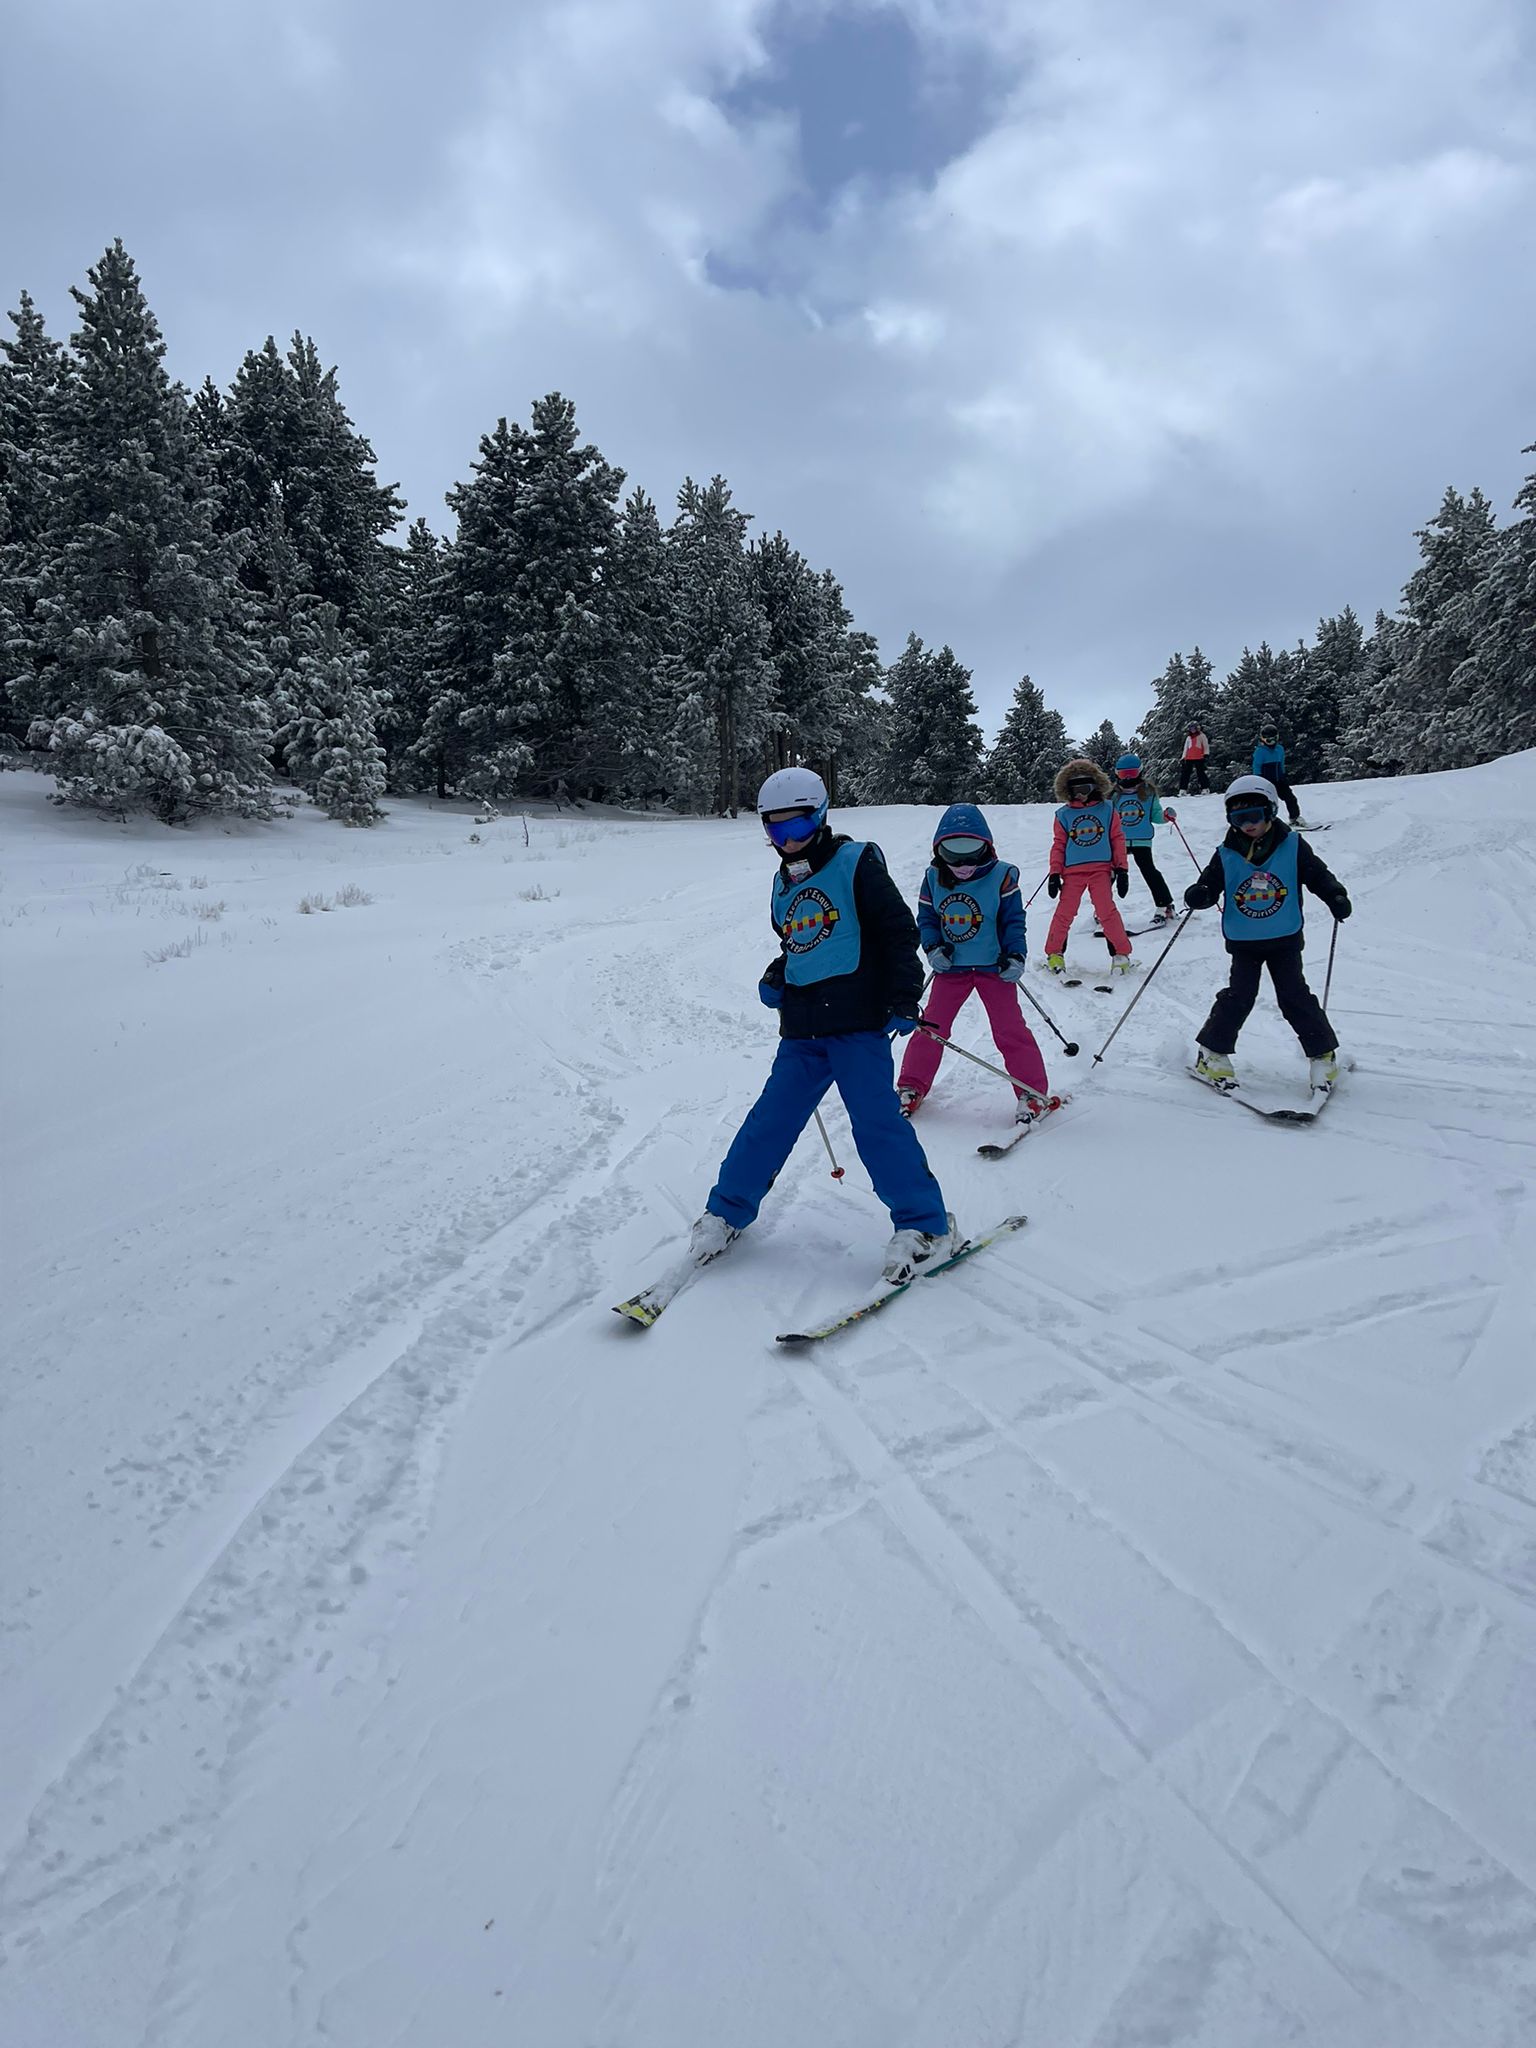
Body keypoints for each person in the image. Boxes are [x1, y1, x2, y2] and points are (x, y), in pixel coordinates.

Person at [688, 766, 956, 1285]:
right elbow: (798, 944)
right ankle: (726, 1212)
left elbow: (898, 932)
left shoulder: (856, 863)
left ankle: (926, 1226)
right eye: (775, 829)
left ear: (822, 815)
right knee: (768, 1123)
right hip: (804, 1029)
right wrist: (777, 974)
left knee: (877, 1126)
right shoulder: (783, 884)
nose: (787, 840)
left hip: (858, 1025)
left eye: (797, 826)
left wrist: (905, 994)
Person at [1183, 774, 1351, 1092]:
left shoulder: (1292, 845)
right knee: (1240, 996)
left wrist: (1335, 895)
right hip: (1244, 941)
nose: (1247, 824)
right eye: (1238, 817)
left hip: (1284, 938)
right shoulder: (1226, 852)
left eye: (1254, 816)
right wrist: (1201, 895)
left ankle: (1323, 1055)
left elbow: (1317, 874)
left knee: (1294, 996)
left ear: (1271, 811)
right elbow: (1210, 884)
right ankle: (1212, 1053)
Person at [896, 803, 1051, 1125]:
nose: (963, 863)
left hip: (994, 968)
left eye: (972, 852)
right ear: (939, 851)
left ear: (987, 847)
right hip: (951, 970)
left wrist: (1016, 954)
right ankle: (911, 1086)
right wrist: (933, 947)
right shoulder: (933, 878)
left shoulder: (1001, 876)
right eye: (954, 854)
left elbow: (1013, 921)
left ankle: (1031, 1091)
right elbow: (927, 919)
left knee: (1009, 1030)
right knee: (931, 1028)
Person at [1043, 759, 1133, 973]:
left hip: (1101, 870)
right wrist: (1055, 873)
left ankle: (1121, 955)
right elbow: (1059, 845)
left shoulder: (1107, 810)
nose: (1081, 795)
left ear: (1095, 787)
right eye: (1076, 791)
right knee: (1064, 913)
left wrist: (1122, 869)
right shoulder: (1063, 815)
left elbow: (1117, 839)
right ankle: (1055, 954)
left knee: (1106, 912)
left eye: (1085, 789)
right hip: (1072, 872)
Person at [1108, 753, 1178, 923]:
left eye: (1132, 773)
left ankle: (1165, 905)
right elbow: (1107, 817)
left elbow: (1155, 815)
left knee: (1149, 871)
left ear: (1139, 772)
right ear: (1117, 774)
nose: (1128, 778)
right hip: (1119, 840)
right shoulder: (1113, 795)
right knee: (1110, 873)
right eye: (1124, 774)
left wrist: (1166, 816)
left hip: (1141, 839)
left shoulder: (1148, 792)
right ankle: (1103, 907)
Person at [1252, 721, 1304, 824]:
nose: (1271, 742)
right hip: (1266, 782)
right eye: (1268, 740)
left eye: (1273, 739)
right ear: (1262, 739)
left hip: (1279, 779)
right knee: (1266, 803)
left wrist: (1283, 775)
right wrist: (1258, 780)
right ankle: (1265, 822)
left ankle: (1295, 818)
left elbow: (1281, 763)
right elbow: (1256, 766)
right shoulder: (1260, 751)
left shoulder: (1279, 749)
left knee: (1291, 798)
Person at [1178, 721, 1211, 793]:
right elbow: (1186, 748)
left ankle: (1205, 788)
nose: (1192, 730)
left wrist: (1206, 754)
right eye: (1191, 728)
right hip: (1189, 757)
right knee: (1185, 773)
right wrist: (1183, 757)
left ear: (1197, 728)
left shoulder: (1202, 736)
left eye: (1194, 728)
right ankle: (1183, 789)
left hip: (1199, 757)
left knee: (1201, 773)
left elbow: (1205, 745)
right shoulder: (1188, 738)